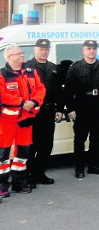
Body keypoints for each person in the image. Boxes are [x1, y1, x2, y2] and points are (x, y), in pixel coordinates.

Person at [0, 45, 46, 196]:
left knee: (23, 153)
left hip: (26, 120)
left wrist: (33, 102)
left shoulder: (31, 72)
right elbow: (3, 95)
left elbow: (41, 89)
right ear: (9, 57)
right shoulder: (2, 75)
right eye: (18, 53)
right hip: (7, 121)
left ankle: (19, 183)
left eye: (22, 53)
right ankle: (2, 186)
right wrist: (22, 102)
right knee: (3, 155)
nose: (22, 55)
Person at [65, 40, 99, 178]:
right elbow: (68, 90)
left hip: (98, 107)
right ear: (83, 50)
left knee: (96, 138)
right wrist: (70, 108)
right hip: (82, 107)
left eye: (94, 48)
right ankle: (79, 168)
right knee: (80, 139)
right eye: (89, 48)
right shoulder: (75, 67)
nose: (91, 51)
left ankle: (94, 166)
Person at [24, 39, 63, 186]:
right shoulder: (26, 67)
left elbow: (60, 91)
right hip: (32, 113)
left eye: (46, 49)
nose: (44, 51)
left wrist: (59, 109)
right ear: (35, 50)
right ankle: (28, 175)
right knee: (31, 145)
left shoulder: (53, 68)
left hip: (48, 111)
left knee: (46, 145)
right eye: (41, 49)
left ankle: (40, 174)